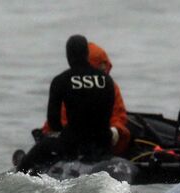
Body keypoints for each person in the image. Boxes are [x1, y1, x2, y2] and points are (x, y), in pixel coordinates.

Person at [17, 35, 115, 173]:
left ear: (68, 55)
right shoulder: (106, 80)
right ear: (87, 54)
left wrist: (63, 135)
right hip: (103, 145)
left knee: (42, 147)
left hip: (73, 145)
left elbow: (53, 121)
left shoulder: (61, 80)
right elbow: (108, 112)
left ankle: (19, 169)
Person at [38, 42, 130, 155]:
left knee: (123, 133)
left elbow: (119, 115)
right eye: (99, 68)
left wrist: (115, 130)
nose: (103, 73)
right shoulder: (68, 84)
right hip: (73, 137)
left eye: (104, 69)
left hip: (100, 137)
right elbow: (57, 121)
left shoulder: (109, 85)